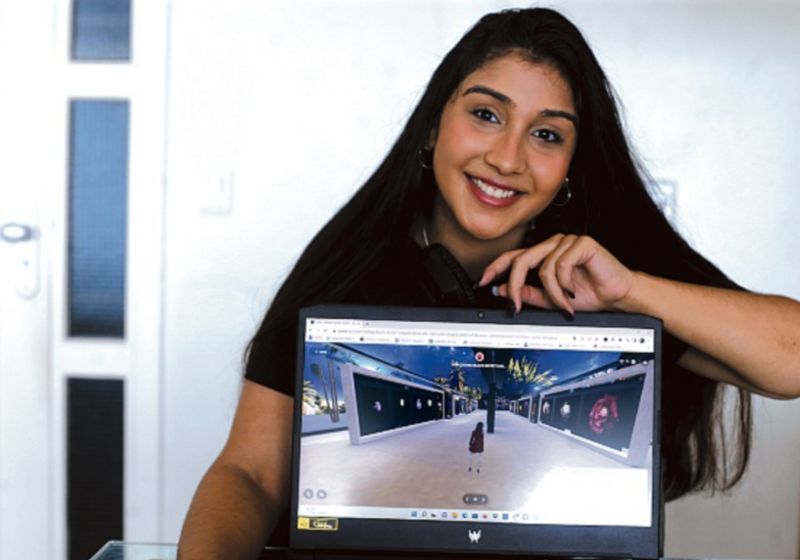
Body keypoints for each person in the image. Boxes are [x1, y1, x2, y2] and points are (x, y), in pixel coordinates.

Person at [177, 7, 800, 559]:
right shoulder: (350, 262)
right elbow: (250, 474)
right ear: (432, 127)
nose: (507, 158)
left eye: (546, 134)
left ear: (570, 169)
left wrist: (629, 293)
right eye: (485, 114)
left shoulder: (604, 270)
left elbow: (790, 359)